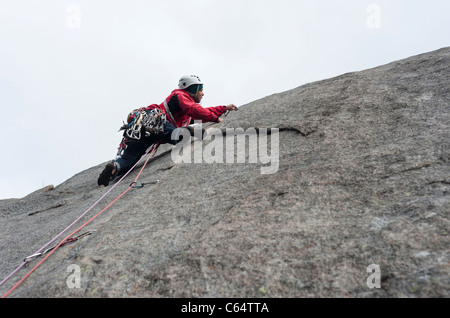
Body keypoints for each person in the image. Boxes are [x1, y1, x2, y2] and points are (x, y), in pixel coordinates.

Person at [97, 75, 238, 186]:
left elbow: (203, 111)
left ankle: (114, 168)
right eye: (200, 89)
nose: (202, 93)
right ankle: (184, 132)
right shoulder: (180, 95)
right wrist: (216, 119)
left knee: (128, 159)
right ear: (192, 89)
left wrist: (224, 108)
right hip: (157, 120)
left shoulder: (184, 114)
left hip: (142, 129)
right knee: (179, 137)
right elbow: (195, 110)